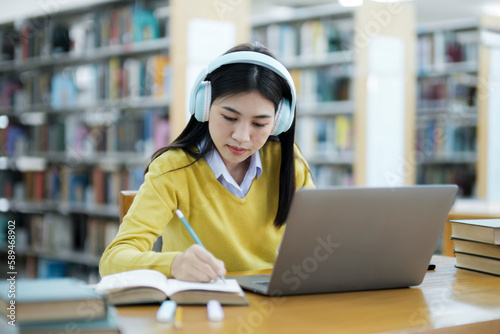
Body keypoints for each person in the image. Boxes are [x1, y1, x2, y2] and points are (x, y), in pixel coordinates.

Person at [99, 42, 314, 282]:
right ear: (204, 107)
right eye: (230, 117)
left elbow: (320, 241)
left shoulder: (288, 162)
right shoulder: (173, 168)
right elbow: (112, 260)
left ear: (279, 122)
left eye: (259, 124)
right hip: (200, 307)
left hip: (271, 305)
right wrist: (173, 264)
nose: (242, 137)